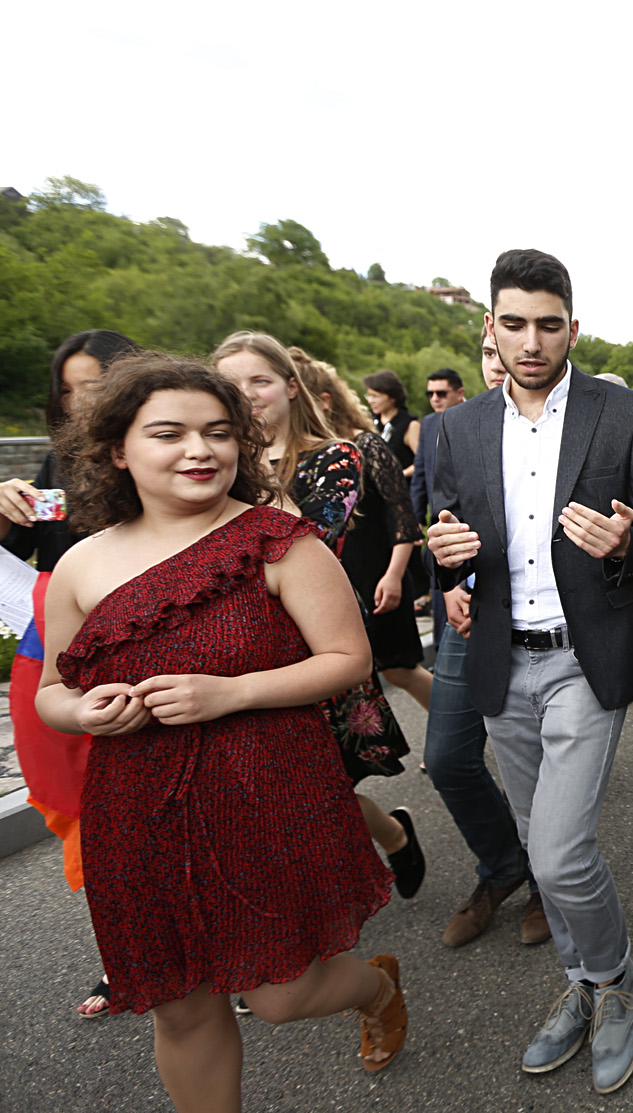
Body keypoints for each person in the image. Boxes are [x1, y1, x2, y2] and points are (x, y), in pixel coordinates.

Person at [35, 353, 407, 1110]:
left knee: (280, 995)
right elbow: (52, 692)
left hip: (266, 790)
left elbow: (348, 659)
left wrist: (231, 693)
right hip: (135, 809)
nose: (199, 450)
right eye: (168, 433)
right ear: (117, 449)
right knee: (179, 1005)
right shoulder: (80, 564)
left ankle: (376, 989)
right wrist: (82, 711)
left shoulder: (282, 540)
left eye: (217, 432)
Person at [426, 248, 633, 1093]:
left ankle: (618, 979)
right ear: (490, 327)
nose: (531, 341)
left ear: (574, 328)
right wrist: (448, 563)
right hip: (502, 658)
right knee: (537, 845)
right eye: (515, 324)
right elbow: (450, 537)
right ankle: (581, 980)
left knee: (562, 857)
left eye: (549, 324)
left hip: (583, 658)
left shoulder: (625, 413)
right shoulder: (453, 428)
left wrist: (625, 544)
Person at [213, 332, 423, 901]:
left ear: (290, 386)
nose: (246, 394)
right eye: (231, 384)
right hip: (233, 649)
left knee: (323, 786)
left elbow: (304, 540)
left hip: (310, 645)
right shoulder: (209, 459)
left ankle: (387, 840)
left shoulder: (335, 456)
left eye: (259, 380)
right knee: (269, 794)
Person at [1, 328, 138, 1019]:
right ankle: (125, 954)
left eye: (94, 387)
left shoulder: (162, 448)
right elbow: (26, 547)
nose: (80, 403)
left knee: (155, 804)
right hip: (62, 654)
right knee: (87, 809)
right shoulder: (57, 460)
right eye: (67, 391)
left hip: (145, 642)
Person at [422, 329, 550, 949]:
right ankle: (503, 866)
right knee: (447, 758)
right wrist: (447, 582)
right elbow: (436, 521)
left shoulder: (556, 424)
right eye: (487, 352)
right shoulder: (450, 427)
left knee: (540, 768)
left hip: (534, 619)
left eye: (507, 351)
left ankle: (548, 882)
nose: (499, 363)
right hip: (467, 618)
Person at [291, 350, 435, 714]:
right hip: (331, 577)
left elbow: (403, 518)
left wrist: (394, 576)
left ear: (324, 401)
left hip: (376, 573)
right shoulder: (299, 455)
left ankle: (457, 733)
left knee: (399, 669)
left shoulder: (366, 444)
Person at [408, 368, 467, 614]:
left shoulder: (474, 416)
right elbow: (420, 472)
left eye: (441, 393)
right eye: (430, 393)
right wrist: (415, 518)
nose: (435, 399)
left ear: (459, 393)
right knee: (442, 593)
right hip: (438, 521)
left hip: (469, 521)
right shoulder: (429, 423)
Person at [361, 369, 420, 478]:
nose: (370, 401)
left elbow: (423, 460)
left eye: (375, 396)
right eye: (369, 396)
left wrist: (400, 475)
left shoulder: (410, 424)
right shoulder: (369, 421)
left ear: (392, 397)